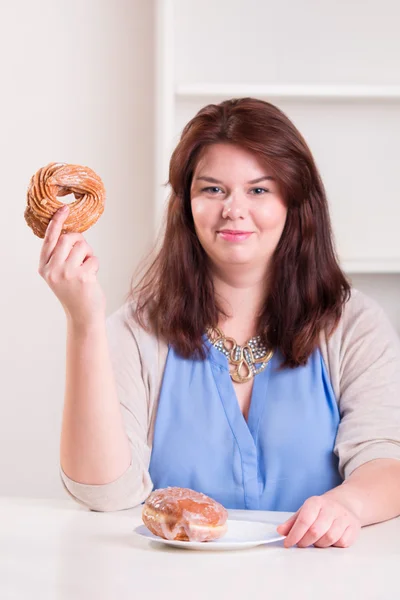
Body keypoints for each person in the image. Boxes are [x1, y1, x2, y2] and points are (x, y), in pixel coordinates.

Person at [38, 98, 400, 549]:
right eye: (212, 189)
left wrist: (348, 505)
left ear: (295, 200)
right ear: (186, 204)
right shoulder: (136, 331)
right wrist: (83, 320)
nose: (233, 209)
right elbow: (105, 492)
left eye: (259, 190)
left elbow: (385, 461)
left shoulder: (354, 325)